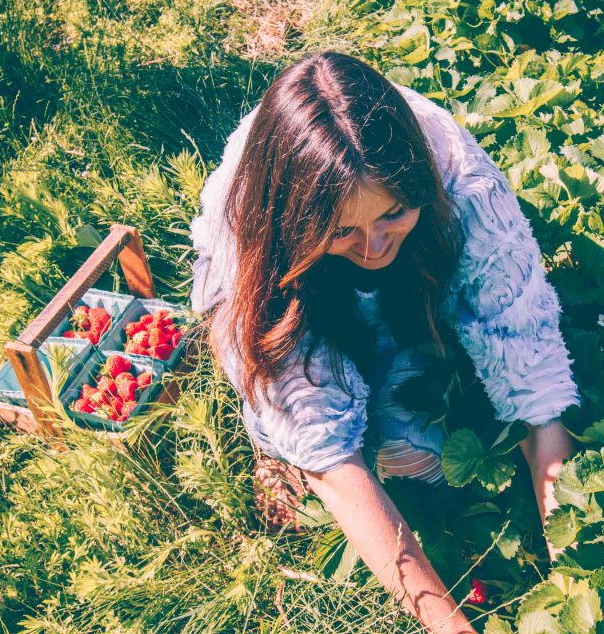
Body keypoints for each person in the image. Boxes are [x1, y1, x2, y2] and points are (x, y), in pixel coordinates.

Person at [188, 51, 580, 634]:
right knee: (307, 434)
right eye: (342, 229)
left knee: (421, 456)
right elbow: (326, 449)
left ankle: (396, 353)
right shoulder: (251, 229)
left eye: (394, 213)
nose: (373, 246)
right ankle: (272, 450)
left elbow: (532, 362)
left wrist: (574, 570)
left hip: (410, 299)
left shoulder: (465, 186)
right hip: (302, 288)